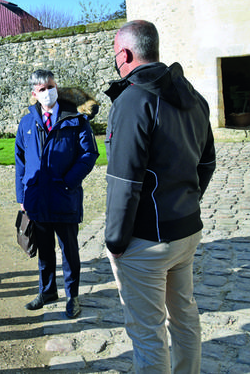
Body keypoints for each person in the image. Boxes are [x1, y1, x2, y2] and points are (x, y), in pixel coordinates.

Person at [104, 20, 216, 373]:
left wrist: (115, 241)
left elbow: (124, 181)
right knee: (184, 318)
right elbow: (207, 164)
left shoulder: (133, 100)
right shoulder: (192, 96)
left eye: (115, 55)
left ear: (124, 54)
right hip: (185, 231)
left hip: (147, 242)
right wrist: (184, 203)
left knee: (148, 333)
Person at [15, 69, 99, 319]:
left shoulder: (75, 119)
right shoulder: (27, 122)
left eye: (50, 86)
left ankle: (72, 296)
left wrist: (69, 181)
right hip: (37, 198)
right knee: (45, 251)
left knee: (69, 251)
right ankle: (47, 291)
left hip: (65, 196)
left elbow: (89, 154)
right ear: (34, 94)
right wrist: (22, 196)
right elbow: (20, 160)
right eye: (41, 89)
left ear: (57, 87)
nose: (47, 92)